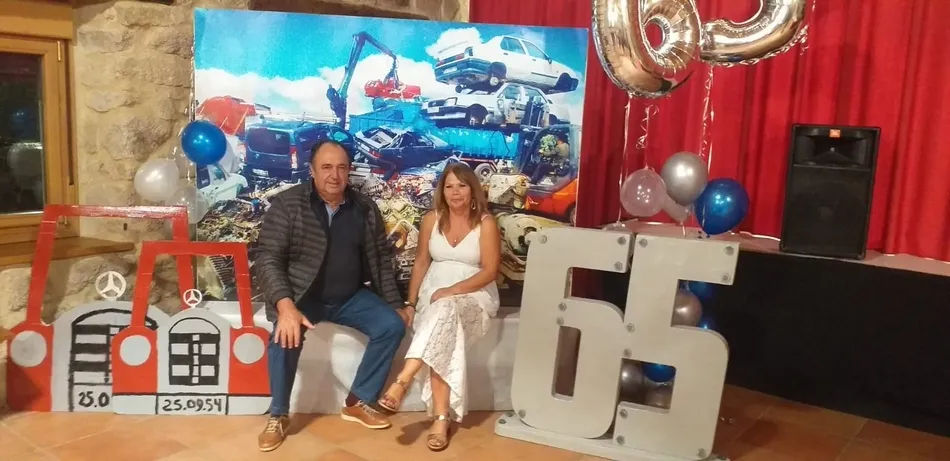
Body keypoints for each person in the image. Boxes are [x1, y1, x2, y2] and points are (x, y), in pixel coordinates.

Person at [254, 139, 414, 452]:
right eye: (326, 167)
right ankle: (278, 415)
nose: (334, 175)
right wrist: (285, 306)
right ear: (312, 170)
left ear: (349, 171)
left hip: (348, 297)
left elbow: (380, 259)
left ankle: (358, 401)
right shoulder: (288, 204)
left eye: (341, 167)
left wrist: (395, 304)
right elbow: (267, 258)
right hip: (302, 297)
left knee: (391, 326)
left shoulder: (364, 208)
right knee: (284, 337)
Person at [376, 163, 502, 452]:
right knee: (444, 330)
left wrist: (452, 290)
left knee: (446, 310)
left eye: (462, 185)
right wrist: (411, 303)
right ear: (442, 191)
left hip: (474, 296)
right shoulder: (431, 219)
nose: (455, 192)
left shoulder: (486, 223)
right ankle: (441, 419)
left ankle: (402, 380)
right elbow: (421, 262)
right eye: (449, 186)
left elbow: (490, 270)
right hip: (433, 297)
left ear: (473, 190)